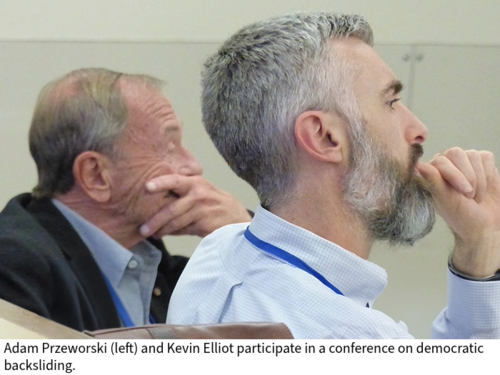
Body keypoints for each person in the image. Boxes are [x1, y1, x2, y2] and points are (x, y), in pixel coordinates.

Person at [167, 12, 500, 339]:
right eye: (391, 101)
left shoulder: (217, 254)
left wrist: (478, 249)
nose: (418, 130)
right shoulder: (352, 339)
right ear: (324, 137)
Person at [0, 68, 251, 331]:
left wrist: (244, 236)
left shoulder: (150, 260)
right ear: (96, 175)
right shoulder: (14, 265)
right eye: (168, 148)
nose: (193, 166)